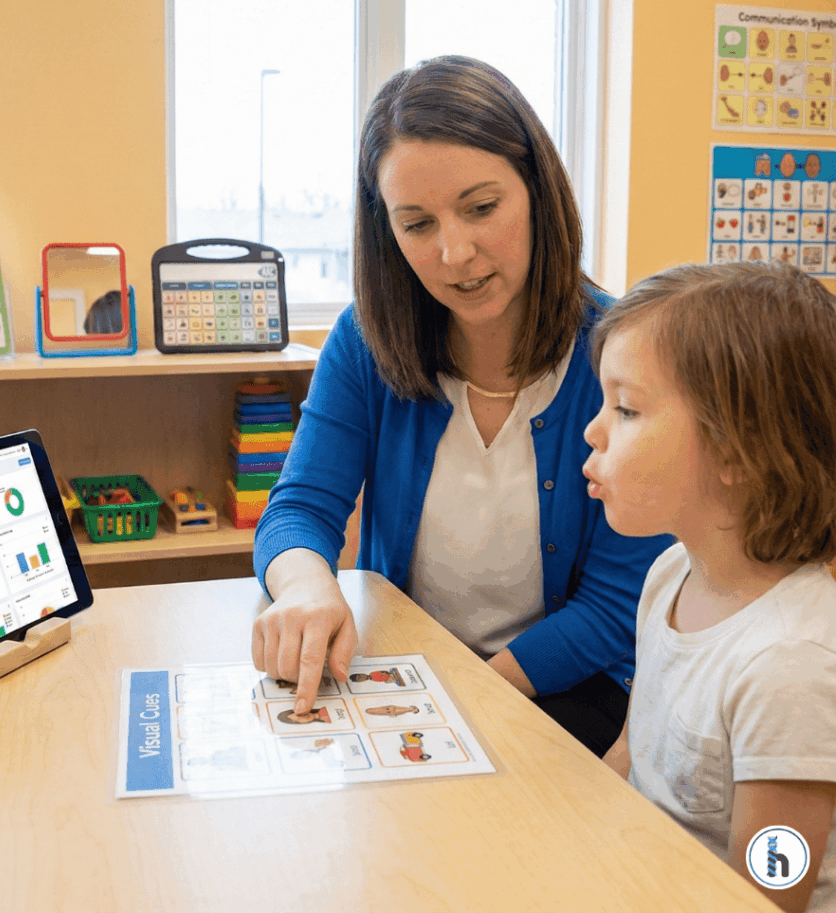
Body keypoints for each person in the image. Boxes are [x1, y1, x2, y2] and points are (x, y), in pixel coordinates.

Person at [251, 55, 671, 757]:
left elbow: (615, 602)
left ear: (538, 190)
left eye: (481, 209)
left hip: (571, 686)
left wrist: (454, 704)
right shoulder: (365, 340)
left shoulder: (622, 352)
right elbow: (299, 508)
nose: (455, 253)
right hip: (410, 677)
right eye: (416, 225)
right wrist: (305, 585)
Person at [587, 261, 836, 912]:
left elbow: (772, 894)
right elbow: (630, 755)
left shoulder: (789, 670)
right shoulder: (670, 573)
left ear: (738, 450)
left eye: (627, 407)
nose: (593, 430)